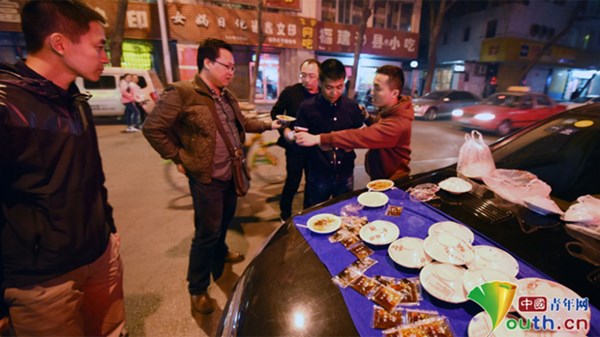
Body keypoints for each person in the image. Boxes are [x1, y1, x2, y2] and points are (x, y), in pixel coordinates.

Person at [0, 1, 125, 336]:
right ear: (59, 43)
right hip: (42, 279)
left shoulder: (75, 99)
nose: (106, 57)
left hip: (100, 255)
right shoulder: (8, 105)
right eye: (99, 47)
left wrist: (109, 231)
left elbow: (93, 177)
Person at [142, 38, 281, 315]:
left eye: (233, 67)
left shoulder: (226, 95)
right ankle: (197, 288)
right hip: (206, 178)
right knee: (206, 233)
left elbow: (241, 124)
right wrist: (178, 157)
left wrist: (270, 124)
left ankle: (221, 254)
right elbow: (153, 128)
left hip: (231, 175)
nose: (231, 71)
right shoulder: (182, 92)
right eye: (227, 66)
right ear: (207, 62)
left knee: (224, 221)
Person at [296, 65, 414, 180]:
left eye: (377, 88)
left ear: (394, 93)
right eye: (373, 86)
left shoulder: (398, 123)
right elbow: (378, 129)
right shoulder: (388, 110)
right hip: (379, 176)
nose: (372, 92)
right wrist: (367, 117)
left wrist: (320, 138)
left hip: (393, 180)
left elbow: (362, 136)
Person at [294, 59, 364, 207]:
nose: (334, 92)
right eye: (329, 87)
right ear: (320, 82)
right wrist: (318, 144)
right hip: (318, 173)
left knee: (346, 214)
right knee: (316, 214)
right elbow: (299, 139)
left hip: (346, 171)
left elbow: (360, 133)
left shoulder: (351, 106)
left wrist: (351, 142)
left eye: (339, 87)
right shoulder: (307, 107)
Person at [269, 59, 320, 221]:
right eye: (303, 75)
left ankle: (306, 215)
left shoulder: (323, 96)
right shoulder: (291, 93)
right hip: (294, 147)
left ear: (319, 77)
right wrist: (284, 130)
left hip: (314, 148)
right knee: (292, 181)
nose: (307, 80)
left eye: (311, 76)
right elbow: (275, 113)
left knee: (312, 184)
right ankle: (285, 215)